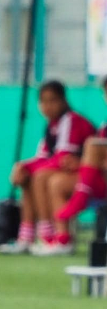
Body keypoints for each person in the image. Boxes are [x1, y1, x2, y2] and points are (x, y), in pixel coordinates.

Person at [0, 80, 94, 255]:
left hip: (88, 179)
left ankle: (53, 237)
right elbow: (43, 158)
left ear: (64, 101)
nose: (47, 106)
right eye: (43, 101)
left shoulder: (71, 121)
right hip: (72, 176)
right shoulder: (51, 126)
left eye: (52, 100)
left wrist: (28, 167)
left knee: (43, 177)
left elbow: (62, 159)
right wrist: (23, 167)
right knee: (29, 176)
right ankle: (25, 237)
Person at [52, 77, 107, 236]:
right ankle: (60, 238)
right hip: (99, 179)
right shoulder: (104, 128)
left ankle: (81, 195)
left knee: (92, 144)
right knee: (55, 182)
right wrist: (81, 164)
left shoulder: (75, 121)